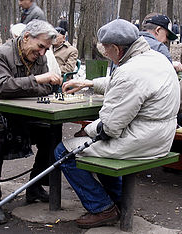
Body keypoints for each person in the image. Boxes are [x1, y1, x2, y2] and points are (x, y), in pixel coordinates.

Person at [54, 19, 180, 229]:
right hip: (160, 137)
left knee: (63, 151)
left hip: (140, 141)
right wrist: (90, 83)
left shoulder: (130, 71)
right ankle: (119, 201)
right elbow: (121, 82)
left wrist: (87, 129)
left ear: (115, 48)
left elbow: (110, 127)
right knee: (97, 148)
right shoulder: (155, 59)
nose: (105, 53)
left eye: (105, 49)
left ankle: (102, 208)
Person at [0, 20, 62, 224]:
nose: (42, 53)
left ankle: (35, 186)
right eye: (40, 47)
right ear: (27, 36)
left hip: (22, 113)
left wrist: (27, 86)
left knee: (52, 135)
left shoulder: (39, 57)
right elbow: (2, 87)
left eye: (46, 49)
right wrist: (36, 81)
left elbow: (46, 90)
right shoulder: (1, 55)